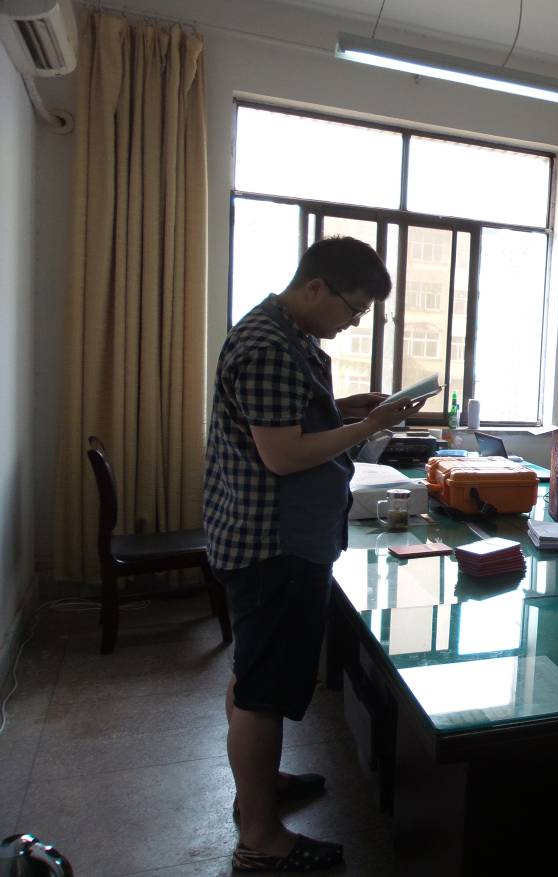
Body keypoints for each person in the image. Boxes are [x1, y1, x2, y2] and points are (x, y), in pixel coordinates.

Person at [203, 236, 426, 872]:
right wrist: (370, 428)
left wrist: (350, 409)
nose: (353, 323)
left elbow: (294, 419)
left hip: (270, 536)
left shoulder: (287, 335)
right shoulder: (269, 347)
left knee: (255, 674)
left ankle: (259, 787)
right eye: (353, 309)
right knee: (264, 693)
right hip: (273, 543)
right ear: (315, 287)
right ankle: (261, 840)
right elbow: (283, 455)